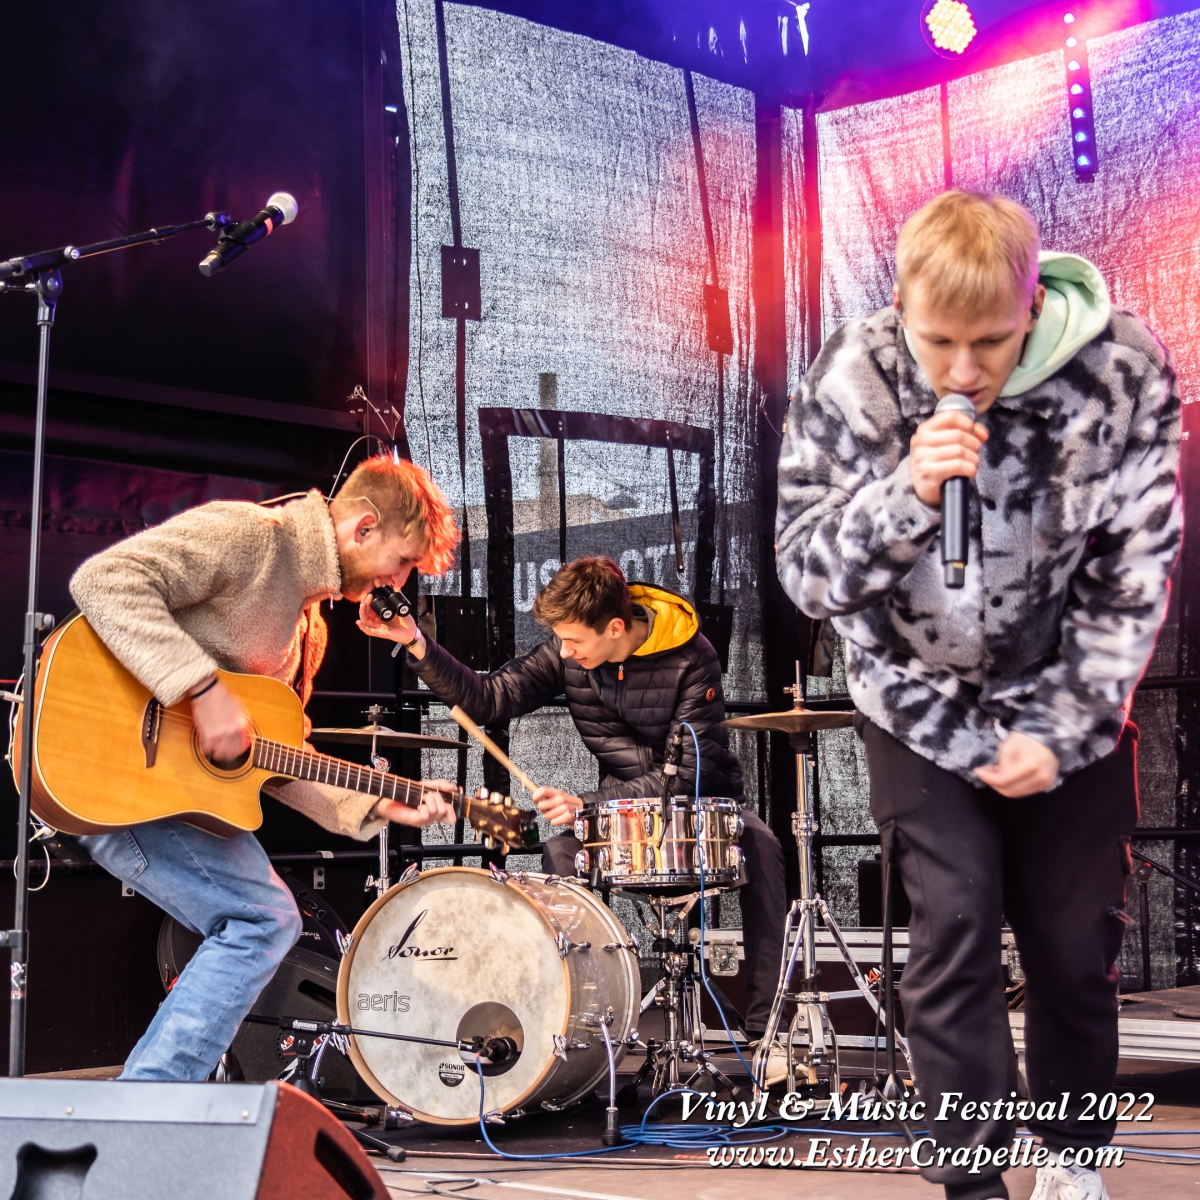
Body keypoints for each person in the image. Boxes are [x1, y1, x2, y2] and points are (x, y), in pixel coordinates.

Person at [775, 190, 1180, 1200]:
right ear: (899, 308)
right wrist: (905, 497)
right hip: (916, 703)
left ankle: (1073, 1158)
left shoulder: (1122, 371)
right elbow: (807, 573)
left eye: (991, 342)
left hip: (1067, 701)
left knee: (1074, 945)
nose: (963, 372)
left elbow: (1135, 573)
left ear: (1033, 305)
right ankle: (972, 1183)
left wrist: (1064, 722)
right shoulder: (852, 375)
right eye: (938, 343)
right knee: (952, 930)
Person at [67, 455, 462, 1082]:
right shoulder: (252, 536)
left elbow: (276, 761)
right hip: (108, 768)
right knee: (263, 918)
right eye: (404, 561)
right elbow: (104, 580)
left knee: (264, 919)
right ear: (363, 528)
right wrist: (202, 691)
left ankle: (151, 1096)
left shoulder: (309, 628)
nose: (400, 582)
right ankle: (148, 1099)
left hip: (172, 798)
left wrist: (382, 802)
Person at [361, 555, 788, 1052]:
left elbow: (687, 775)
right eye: (560, 640)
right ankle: (578, 1027)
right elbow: (488, 698)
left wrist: (585, 803)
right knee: (560, 856)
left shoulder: (693, 656)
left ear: (614, 628)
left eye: (574, 641)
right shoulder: (568, 654)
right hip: (616, 816)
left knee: (761, 845)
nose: (564, 652)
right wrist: (416, 641)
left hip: (697, 807)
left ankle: (768, 1030)